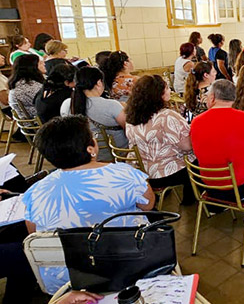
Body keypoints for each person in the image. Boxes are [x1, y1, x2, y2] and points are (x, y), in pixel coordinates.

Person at [22, 115, 155, 293]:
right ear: (91, 148)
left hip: (68, 282)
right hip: (129, 270)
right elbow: (148, 205)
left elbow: (34, 232)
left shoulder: (35, 192)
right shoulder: (125, 175)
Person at [190, 79, 244, 217]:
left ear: (212, 98)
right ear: (234, 98)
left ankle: (216, 207)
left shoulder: (196, 122)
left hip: (209, 187)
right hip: (241, 189)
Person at [125, 75, 196, 205]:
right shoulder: (167, 116)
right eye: (167, 87)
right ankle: (191, 199)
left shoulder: (130, 116)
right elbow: (187, 146)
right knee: (198, 159)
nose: (170, 90)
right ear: (159, 94)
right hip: (168, 173)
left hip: (144, 171)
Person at [61, 67, 128, 160]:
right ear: (99, 83)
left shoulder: (67, 104)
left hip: (84, 155)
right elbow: (130, 130)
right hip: (116, 154)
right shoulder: (112, 105)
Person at [8, 54, 45, 118]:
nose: (44, 64)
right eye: (41, 63)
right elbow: (46, 105)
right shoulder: (30, 87)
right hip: (38, 122)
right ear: (32, 67)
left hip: (32, 120)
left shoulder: (20, 83)